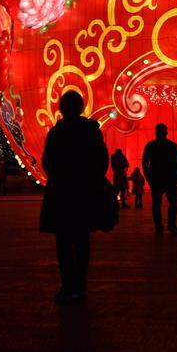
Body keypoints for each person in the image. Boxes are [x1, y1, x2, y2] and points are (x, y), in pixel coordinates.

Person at [39, 91, 110, 304]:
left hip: (62, 193)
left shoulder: (57, 133)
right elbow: (102, 159)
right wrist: (93, 180)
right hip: (85, 192)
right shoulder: (91, 131)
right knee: (82, 239)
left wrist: (59, 178)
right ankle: (80, 284)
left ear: (62, 108)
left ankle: (68, 285)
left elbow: (47, 162)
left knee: (64, 241)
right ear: (81, 107)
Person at [142, 123, 177, 235]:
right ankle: (171, 224)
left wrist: (148, 177)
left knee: (157, 203)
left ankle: (159, 226)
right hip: (170, 178)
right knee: (173, 202)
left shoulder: (150, 146)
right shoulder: (172, 145)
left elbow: (145, 163)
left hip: (157, 178)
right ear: (166, 132)